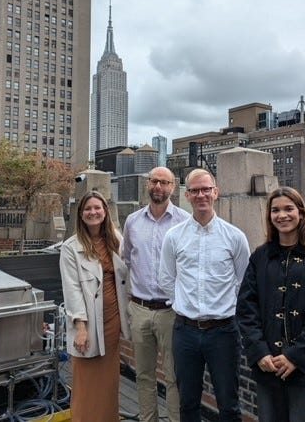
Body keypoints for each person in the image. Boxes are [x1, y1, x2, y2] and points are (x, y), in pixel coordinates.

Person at [236, 186, 305, 422]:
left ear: (301, 213)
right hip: (268, 366)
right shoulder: (260, 257)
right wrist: (259, 352)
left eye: (288, 209)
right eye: (275, 210)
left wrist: (295, 356)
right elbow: (246, 308)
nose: (282, 215)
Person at [159, 168, 250, 422]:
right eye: (195, 190)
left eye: (206, 189)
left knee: (229, 405)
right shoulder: (174, 237)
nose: (201, 195)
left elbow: (243, 283)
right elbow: (166, 278)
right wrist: (183, 304)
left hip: (223, 332)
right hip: (185, 332)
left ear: (216, 192)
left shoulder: (235, 237)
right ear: (187, 195)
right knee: (187, 404)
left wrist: (222, 304)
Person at [121, 166, 190, 422]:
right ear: (147, 184)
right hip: (139, 309)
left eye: (164, 182)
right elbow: (127, 259)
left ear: (173, 187)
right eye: (154, 181)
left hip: (171, 311)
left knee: (173, 376)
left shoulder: (185, 221)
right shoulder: (132, 222)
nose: (158, 187)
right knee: (143, 375)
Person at [59, 190, 131, 422]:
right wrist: (80, 327)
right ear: (80, 214)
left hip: (112, 322)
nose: (93, 212)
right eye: (88, 209)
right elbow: (72, 289)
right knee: (86, 382)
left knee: (109, 382)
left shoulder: (116, 240)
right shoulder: (71, 247)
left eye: (97, 208)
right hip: (87, 323)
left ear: (105, 211)